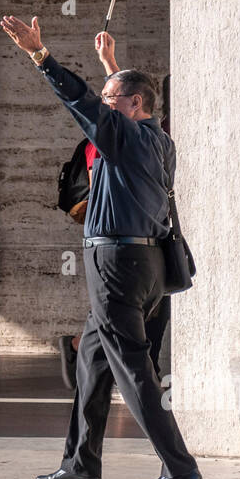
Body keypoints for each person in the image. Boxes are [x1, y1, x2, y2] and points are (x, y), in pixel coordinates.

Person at [0, 13, 204, 479]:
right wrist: (111, 64)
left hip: (117, 265)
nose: (104, 107)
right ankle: (80, 464)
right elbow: (117, 99)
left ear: (133, 106)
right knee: (92, 364)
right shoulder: (157, 139)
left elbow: (82, 100)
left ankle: (180, 468)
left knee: (133, 369)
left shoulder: (127, 136)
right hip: (147, 266)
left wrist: (40, 55)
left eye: (113, 100)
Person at [58, 33, 167, 389]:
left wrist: (109, 64)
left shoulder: (151, 137)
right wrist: (40, 55)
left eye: (110, 97)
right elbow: (113, 112)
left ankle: (80, 354)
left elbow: (127, 111)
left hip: (137, 249)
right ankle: (144, 387)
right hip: (115, 247)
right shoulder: (111, 138)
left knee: (107, 330)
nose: (105, 103)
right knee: (131, 327)